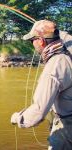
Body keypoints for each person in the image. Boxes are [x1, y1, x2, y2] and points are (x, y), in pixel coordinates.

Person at [10, 20, 72, 150]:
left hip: (67, 127)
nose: (32, 43)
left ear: (41, 41)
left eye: (32, 40)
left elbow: (38, 112)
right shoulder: (68, 54)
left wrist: (18, 118)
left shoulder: (55, 65)